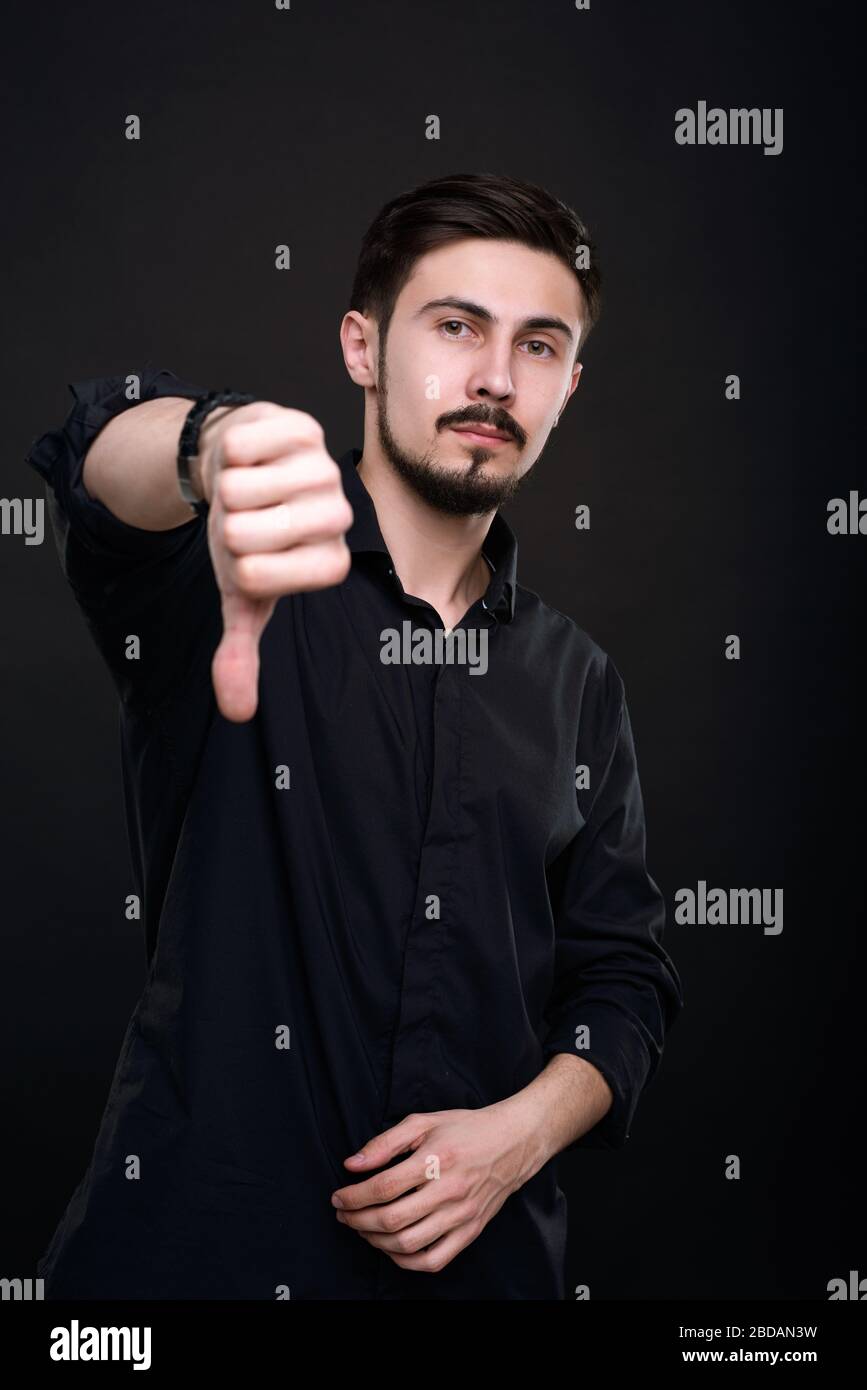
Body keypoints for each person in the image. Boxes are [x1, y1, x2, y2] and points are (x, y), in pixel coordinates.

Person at [26, 171, 683, 1300]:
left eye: (537, 346)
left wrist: (519, 1136)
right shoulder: (232, 563)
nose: (491, 377)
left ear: (570, 383)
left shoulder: (581, 682)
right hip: (191, 1267)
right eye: (456, 326)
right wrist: (208, 447)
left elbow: (624, 980)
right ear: (362, 347)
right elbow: (96, 461)